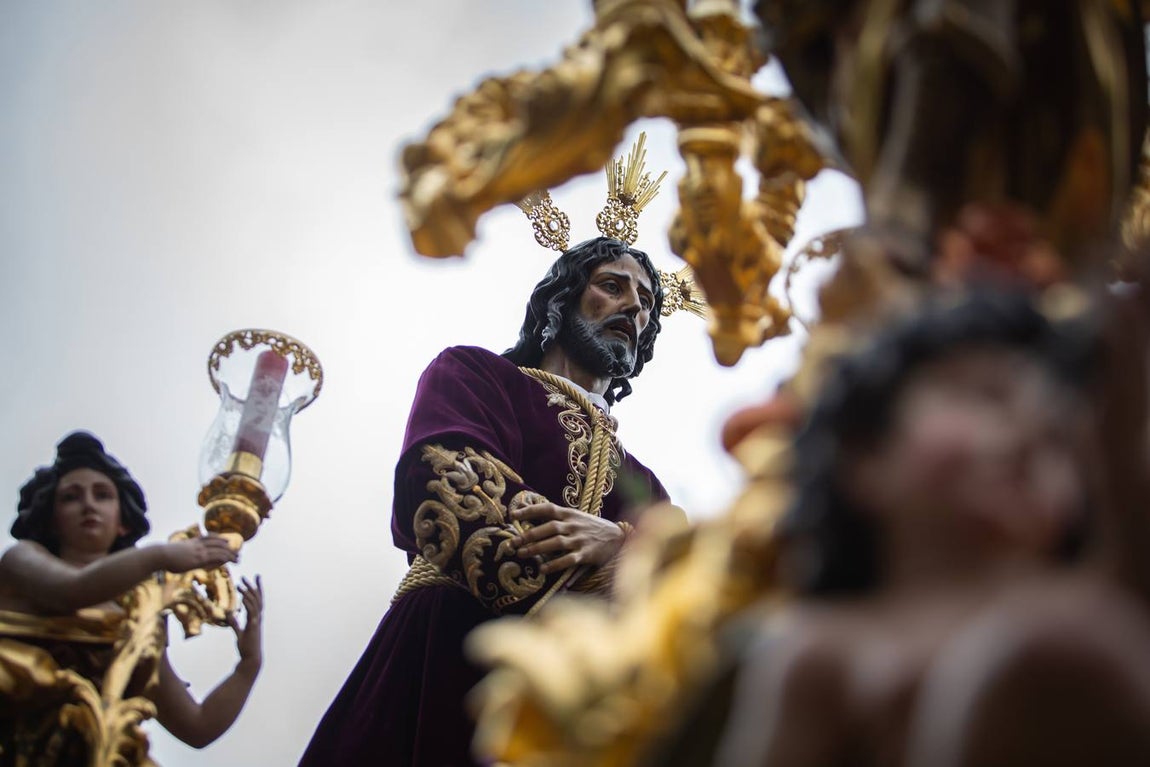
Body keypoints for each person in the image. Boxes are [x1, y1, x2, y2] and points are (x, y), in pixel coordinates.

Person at [300, 235, 671, 766]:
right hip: (445, 655)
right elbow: (449, 483)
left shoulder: (645, 486)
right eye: (612, 286)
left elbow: (679, 598)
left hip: (574, 719)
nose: (634, 306)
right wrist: (614, 574)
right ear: (562, 300)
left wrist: (619, 546)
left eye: (646, 301)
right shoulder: (476, 376)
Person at [703, 291, 1114, 767]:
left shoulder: (1099, 612)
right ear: (863, 451)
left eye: (1056, 438)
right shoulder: (824, 657)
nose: (1024, 437)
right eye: (986, 396)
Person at [0, 431, 264, 759]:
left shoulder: (138, 616)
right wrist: (159, 556)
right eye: (70, 497)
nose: (88, 505)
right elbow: (71, 591)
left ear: (122, 521)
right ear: (51, 518)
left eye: (102, 495)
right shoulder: (22, 559)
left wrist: (248, 665)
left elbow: (197, 725)